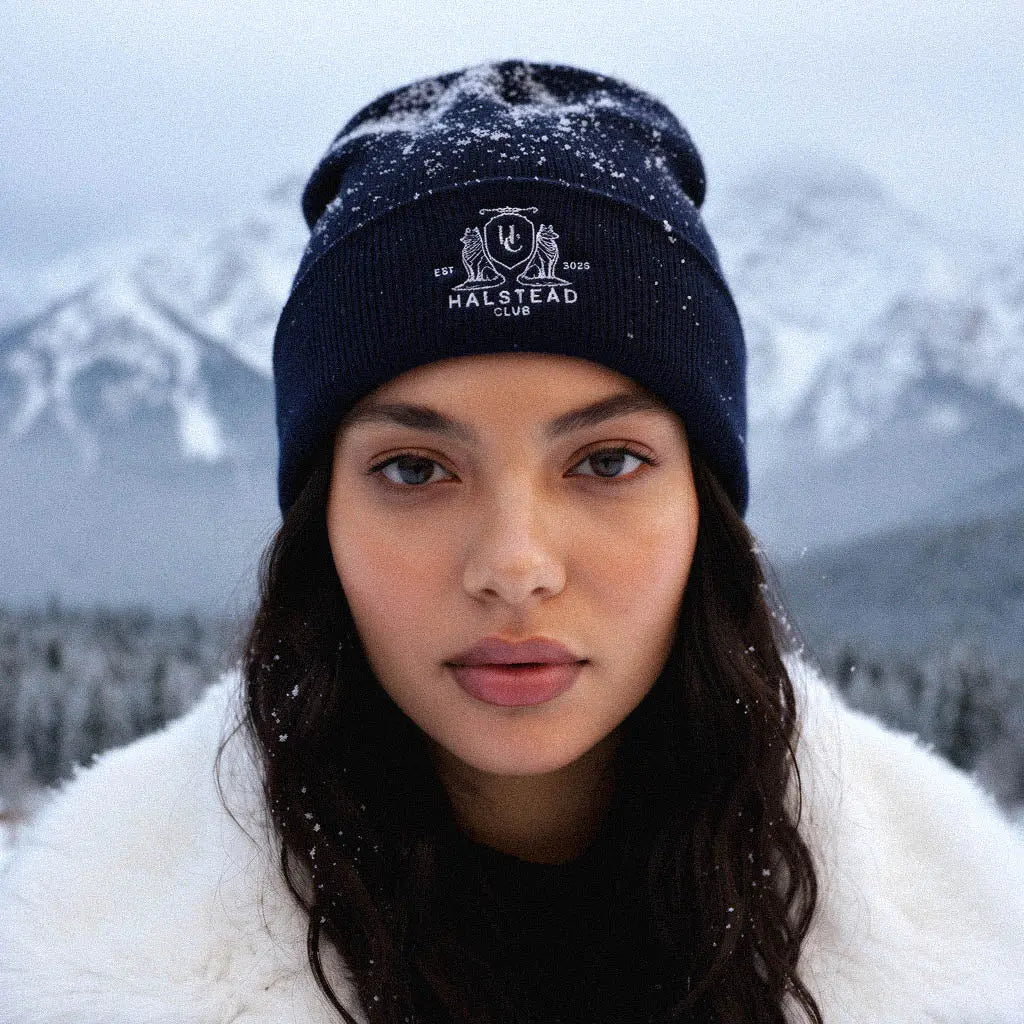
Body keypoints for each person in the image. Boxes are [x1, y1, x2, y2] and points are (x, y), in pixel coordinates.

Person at [1, 58, 1022, 1024]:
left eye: (606, 462)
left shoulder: (969, 945)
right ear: (321, 524)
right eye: (414, 469)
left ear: (707, 511)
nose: (515, 566)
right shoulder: (80, 959)